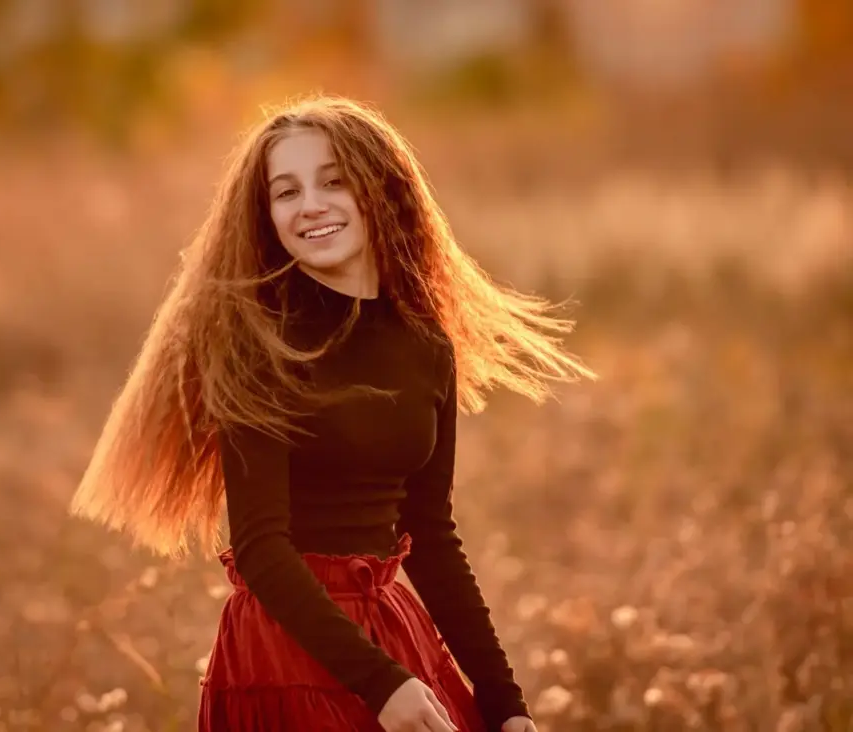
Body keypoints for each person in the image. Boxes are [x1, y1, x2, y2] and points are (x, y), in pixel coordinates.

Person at [71, 95, 594, 732]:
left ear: (382, 189)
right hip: (289, 650)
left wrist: (506, 702)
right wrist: (380, 685)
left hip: (392, 631)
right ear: (267, 216)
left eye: (333, 181)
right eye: (286, 192)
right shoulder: (258, 345)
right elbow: (260, 549)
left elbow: (431, 535)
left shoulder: (426, 345)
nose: (310, 205)